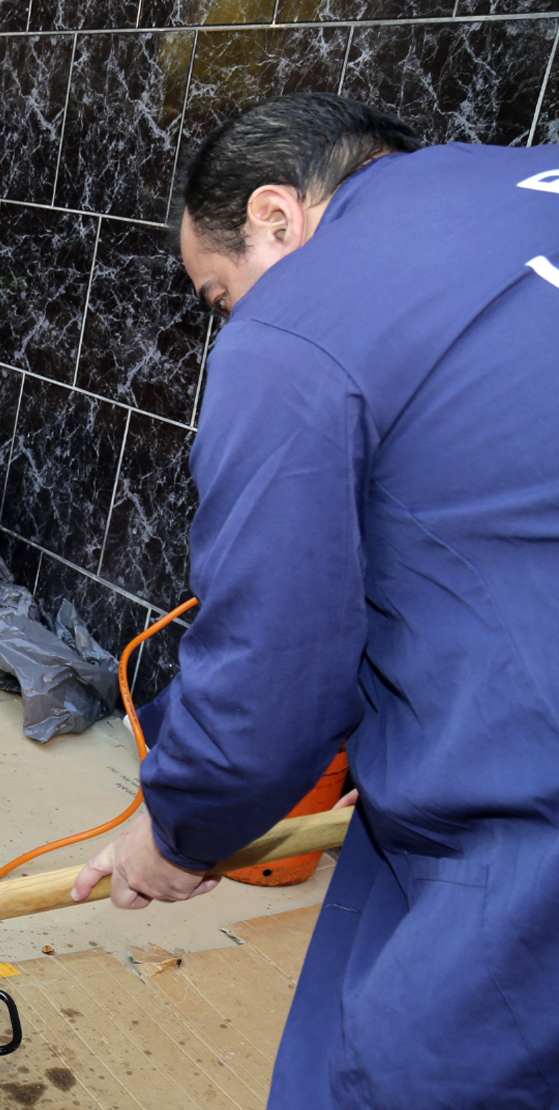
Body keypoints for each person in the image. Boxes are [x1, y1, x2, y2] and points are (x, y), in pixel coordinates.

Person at [70, 93, 559, 1108]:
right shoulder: (513, 184)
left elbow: (276, 659)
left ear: (275, 218)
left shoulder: (301, 322)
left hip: (525, 796)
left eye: (218, 297)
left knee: (401, 1073)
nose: (231, 325)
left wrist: (179, 828)